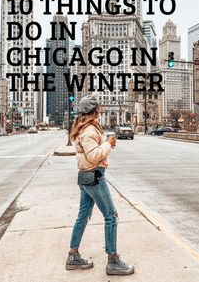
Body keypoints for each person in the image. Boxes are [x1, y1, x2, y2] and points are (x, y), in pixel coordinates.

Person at [66, 94, 134, 276]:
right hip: (94, 176)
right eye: (98, 108)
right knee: (111, 216)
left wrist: (105, 144)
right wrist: (108, 144)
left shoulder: (86, 128)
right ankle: (113, 261)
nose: (100, 110)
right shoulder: (88, 131)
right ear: (93, 111)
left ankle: (73, 255)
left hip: (86, 176)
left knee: (83, 216)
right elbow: (94, 156)